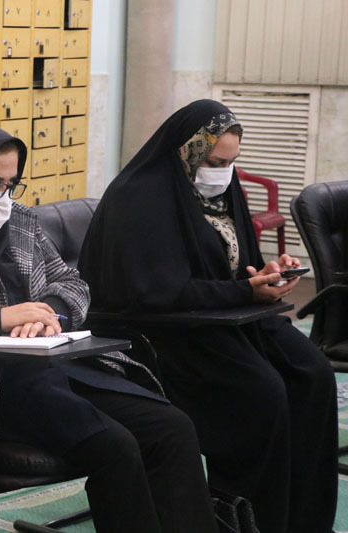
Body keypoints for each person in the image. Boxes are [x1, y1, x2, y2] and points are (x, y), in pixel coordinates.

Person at [0, 121, 219, 533]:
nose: (2, 197)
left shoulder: (21, 219)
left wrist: (49, 313)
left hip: (58, 364)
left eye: (10, 184)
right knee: (117, 447)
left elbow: (72, 282)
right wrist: (1, 317)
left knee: (172, 428)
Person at [79, 99, 337, 533]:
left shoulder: (225, 192)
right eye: (215, 162)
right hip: (162, 333)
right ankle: (249, 520)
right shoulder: (140, 197)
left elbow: (237, 266)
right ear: (187, 151)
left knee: (312, 372)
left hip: (226, 318)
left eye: (232, 162)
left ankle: (304, 521)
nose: (223, 173)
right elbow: (158, 291)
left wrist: (267, 275)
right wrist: (245, 290)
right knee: (262, 392)